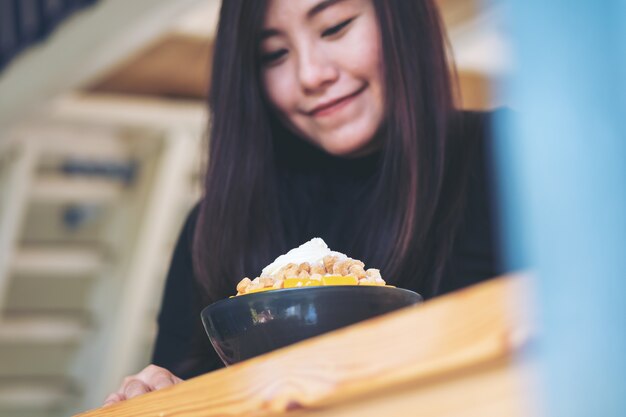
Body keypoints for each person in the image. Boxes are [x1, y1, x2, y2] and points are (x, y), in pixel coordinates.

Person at [104, 0, 505, 406]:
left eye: (335, 27)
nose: (311, 75)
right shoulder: (218, 223)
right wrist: (161, 396)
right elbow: (194, 390)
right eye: (275, 53)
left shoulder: (512, 158)